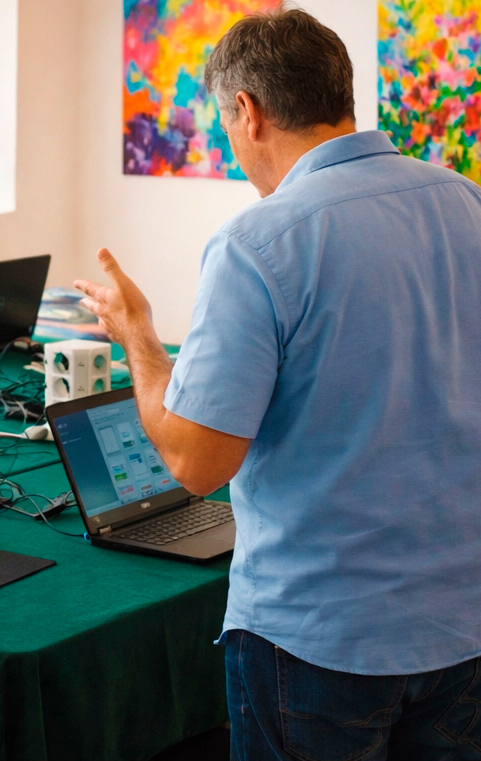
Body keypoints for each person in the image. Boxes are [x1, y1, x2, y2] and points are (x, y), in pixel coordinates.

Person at [74, 9, 481, 759]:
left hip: (324, 637)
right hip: (461, 622)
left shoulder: (256, 241)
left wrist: (137, 335)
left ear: (248, 110)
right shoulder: (464, 200)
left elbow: (196, 462)